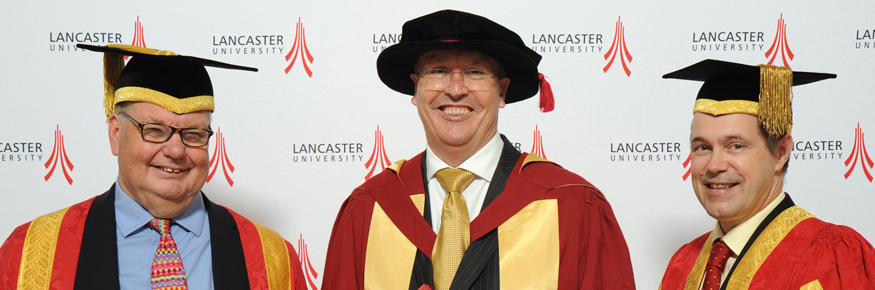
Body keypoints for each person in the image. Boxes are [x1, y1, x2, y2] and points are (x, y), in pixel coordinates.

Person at [323, 10, 635, 290]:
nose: (456, 89)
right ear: (416, 89)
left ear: (501, 91)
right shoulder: (368, 209)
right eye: (439, 71)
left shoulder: (571, 204)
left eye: (475, 72)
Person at [0, 44, 306, 290]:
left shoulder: (272, 259)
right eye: (155, 130)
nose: (175, 150)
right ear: (116, 134)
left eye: (194, 134)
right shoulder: (32, 253)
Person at [659, 59, 875, 289]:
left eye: (736, 146)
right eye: (702, 147)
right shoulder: (683, 265)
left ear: (781, 153)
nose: (714, 166)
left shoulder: (829, 257)